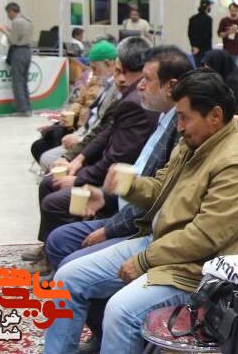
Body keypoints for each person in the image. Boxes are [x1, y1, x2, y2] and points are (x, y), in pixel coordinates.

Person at [44, 70, 238, 354]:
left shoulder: (237, 164)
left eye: (184, 118)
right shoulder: (195, 143)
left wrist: (145, 260)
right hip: (161, 245)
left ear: (215, 115)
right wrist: (126, 185)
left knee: (121, 312)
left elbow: (204, 237)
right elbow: (161, 188)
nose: (180, 127)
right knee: (67, 279)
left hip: (193, 269)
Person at [44, 46, 191, 272]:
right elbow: (104, 136)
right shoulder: (162, 117)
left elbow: (157, 198)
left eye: (147, 79)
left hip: (141, 225)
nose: (139, 85)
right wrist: (105, 195)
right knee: (58, 239)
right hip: (123, 205)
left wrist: (110, 229)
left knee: (69, 268)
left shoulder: (181, 132)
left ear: (170, 86)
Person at [26, 37, 156, 272]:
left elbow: (118, 158)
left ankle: (59, 258)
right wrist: (78, 158)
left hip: (118, 185)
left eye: (147, 79)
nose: (120, 78)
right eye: (118, 71)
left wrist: (79, 178)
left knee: (55, 200)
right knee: (49, 181)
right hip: (109, 173)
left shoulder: (139, 102)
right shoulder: (127, 94)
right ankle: (50, 251)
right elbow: (103, 132)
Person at [31, 41, 115, 163]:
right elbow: (80, 101)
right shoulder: (95, 79)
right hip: (80, 126)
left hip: (87, 131)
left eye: (95, 68)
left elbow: (101, 124)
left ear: (108, 64)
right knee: (43, 142)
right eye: (91, 67)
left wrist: (80, 136)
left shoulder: (114, 88)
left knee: (47, 150)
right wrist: (71, 113)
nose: (93, 72)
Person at [0, 2, 33, 115]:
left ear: (11, 11)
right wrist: (10, 30)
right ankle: (27, 107)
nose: (8, 16)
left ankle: (22, 109)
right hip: (27, 51)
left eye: (8, 13)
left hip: (18, 52)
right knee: (24, 81)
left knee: (17, 82)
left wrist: (3, 31)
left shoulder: (16, 22)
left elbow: (13, 41)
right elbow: (20, 36)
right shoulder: (27, 20)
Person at [218, 2, 238, 69]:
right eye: (232, 10)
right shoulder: (224, 20)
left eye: (235, 10)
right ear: (229, 10)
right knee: (228, 70)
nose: (234, 12)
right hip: (228, 51)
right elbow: (220, 35)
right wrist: (229, 32)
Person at [187, 0, 212, 66]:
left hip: (195, 49)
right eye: (210, 6)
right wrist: (199, 47)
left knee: (197, 68)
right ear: (207, 7)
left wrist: (194, 46)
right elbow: (206, 35)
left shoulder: (192, 18)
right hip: (206, 49)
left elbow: (190, 33)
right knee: (205, 69)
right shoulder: (208, 19)